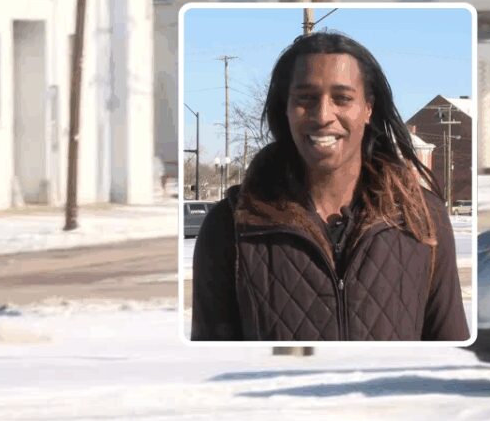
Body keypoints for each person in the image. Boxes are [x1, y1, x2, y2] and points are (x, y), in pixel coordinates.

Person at [191, 30, 468, 342]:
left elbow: (450, 353)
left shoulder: (423, 218)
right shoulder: (230, 226)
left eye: (343, 98)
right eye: (305, 98)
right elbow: (211, 359)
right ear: (285, 108)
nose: (323, 115)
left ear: (368, 108)